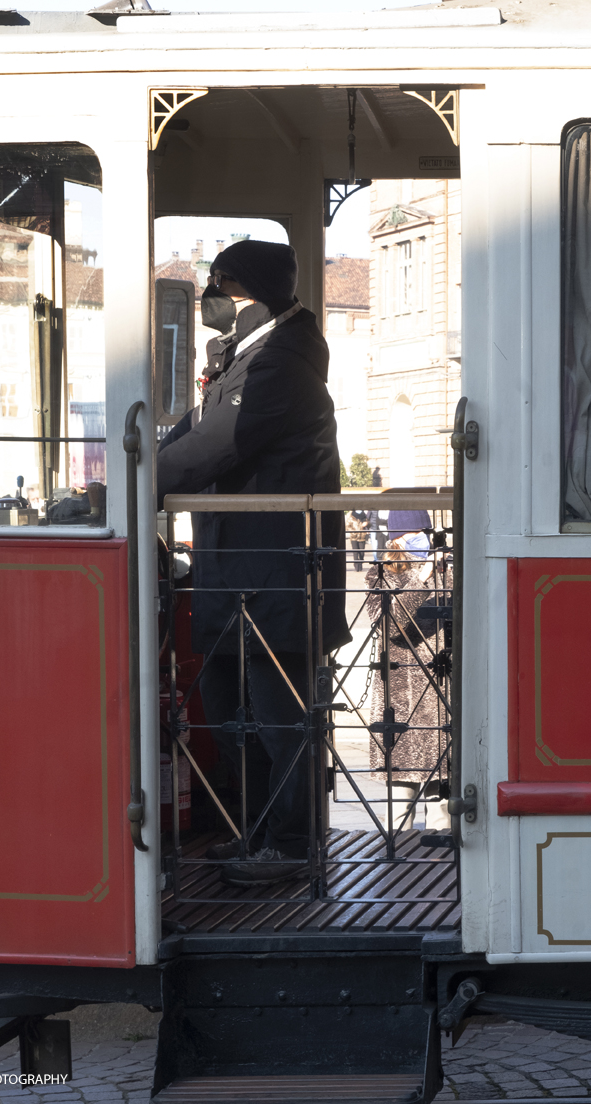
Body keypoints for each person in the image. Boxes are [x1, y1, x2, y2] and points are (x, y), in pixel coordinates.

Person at [157, 239, 350, 885]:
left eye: (222, 287)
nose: (213, 300)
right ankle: (258, 833)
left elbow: (218, 445)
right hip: (237, 571)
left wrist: (134, 487)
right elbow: (191, 434)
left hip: (273, 577)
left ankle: (290, 844)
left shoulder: (280, 361)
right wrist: (129, 477)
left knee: (277, 719)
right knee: (235, 712)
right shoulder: (249, 356)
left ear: (250, 294)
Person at [365, 539, 451, 831]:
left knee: (442, 812)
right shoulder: (382, 573)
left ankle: (441, 870)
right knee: (399, 812)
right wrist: (421, 577)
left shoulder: (450, 570)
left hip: (442, 701)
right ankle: (397, 869)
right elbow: (390, 625)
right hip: (402, 706)